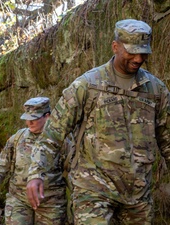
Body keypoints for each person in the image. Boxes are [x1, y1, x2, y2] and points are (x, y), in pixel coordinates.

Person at [26, 19, 170, 224]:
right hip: (93, 192)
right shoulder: (87, 85)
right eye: (131, 52)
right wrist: (36, 173)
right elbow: (53, 134)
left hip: (137, 195)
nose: (138, 58)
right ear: (115, 46)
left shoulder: (156, 90)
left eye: (143, 52)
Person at [0, 97, 66, 225]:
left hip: (50, 202)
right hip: (19, 200)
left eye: (34, 118)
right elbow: (3, 165)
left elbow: (73, 170)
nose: (29, 123)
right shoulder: (17, 138)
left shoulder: (61, 140)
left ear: (47, 116)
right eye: (27, 119)